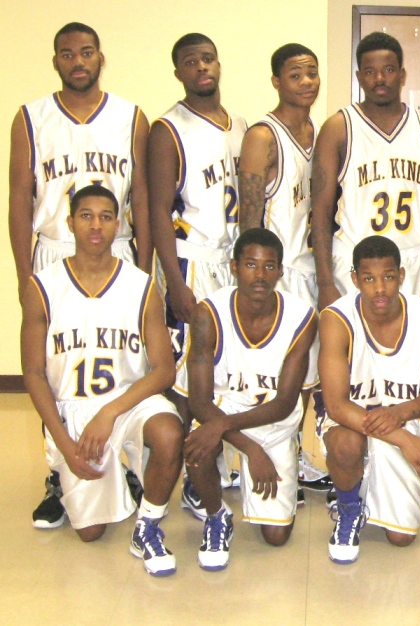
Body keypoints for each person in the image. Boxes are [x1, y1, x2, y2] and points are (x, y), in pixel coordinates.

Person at [9, 22, 152, 529]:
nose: (78, 61)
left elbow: (141, 198)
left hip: (117, 251)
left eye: (86, 52)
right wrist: (24, 274)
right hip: (54, 252)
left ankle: (127, 466)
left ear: (100, 58)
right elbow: (20, 199)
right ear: (56, 61)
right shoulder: (31, 118)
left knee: (124, 360)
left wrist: (144, 264)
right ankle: (58, 473)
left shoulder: (131, 116)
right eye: (67, 54)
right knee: (54, 370)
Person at [20, 184, 183, 576]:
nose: (96, 226)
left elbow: (164, 370)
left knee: (169, 432)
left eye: (106, 217)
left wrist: (109, 412)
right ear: (70, 223)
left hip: (128, 402)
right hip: (74, 411)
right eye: (87, 216)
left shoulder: (141, 285)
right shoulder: (42, 287)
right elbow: (34, 374)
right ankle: (87, 479)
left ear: (119, 224)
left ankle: (147, 525)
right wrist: (64, 443)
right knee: (91, 532)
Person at [148, 33, 247, 515]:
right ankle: (189, 470)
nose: (201, 67)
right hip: (191, 261)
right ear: (178, 72)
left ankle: (212, 459)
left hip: (230, 262)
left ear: (219, 64)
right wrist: (173, 281)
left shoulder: (240, 125)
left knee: (219, 369)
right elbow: (156, 210)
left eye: (208, 58)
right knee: (188, 375)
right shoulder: (168, 129)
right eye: (190, 62)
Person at [185, 228, 316, 571]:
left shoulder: (302, 317)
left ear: (281, 271)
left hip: (272, 418)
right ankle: (216, 515)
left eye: (269, 266)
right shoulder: (207, 314)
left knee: (276, 536)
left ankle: (276, 460)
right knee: (197, 446)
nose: (260, 275)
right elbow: (198, 401)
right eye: (251, 265)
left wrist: (237, 435)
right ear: (234, 267)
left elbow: (285, 403)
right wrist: (250, 448)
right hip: (223, 407)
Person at [318, 235, 420, 564]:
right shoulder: (336, 318)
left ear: (401, 276)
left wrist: (401, 412)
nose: (379, 289)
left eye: (388, 277)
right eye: (369, 279)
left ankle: (366, 480)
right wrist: (403, 439)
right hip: (350, 420)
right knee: (346, 444)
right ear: (354, 279)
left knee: (402, 538)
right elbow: (335, 405)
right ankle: (349, 507)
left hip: (401, 417)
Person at [237, 43, 330, 496]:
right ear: (276, 81)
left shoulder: (317, 131)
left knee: (306, 374)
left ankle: (293, 451)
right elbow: (249, 220)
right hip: (276, 275)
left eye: (312, 73)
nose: (307, 82)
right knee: (271, 372)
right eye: (296, 75)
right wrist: (256, 281)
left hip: (307, 269)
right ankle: (251, 455)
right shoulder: (263, 136)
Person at [311, 31, 420, 313]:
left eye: (389, 70)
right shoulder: (338, 128)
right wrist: (325, 282)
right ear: (359, 77)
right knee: (354, 341)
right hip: (356, 262)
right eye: (370, 72)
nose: (380, 79)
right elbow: (320, 213)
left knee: (413, 342)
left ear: (402, 75)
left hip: (411, 260)